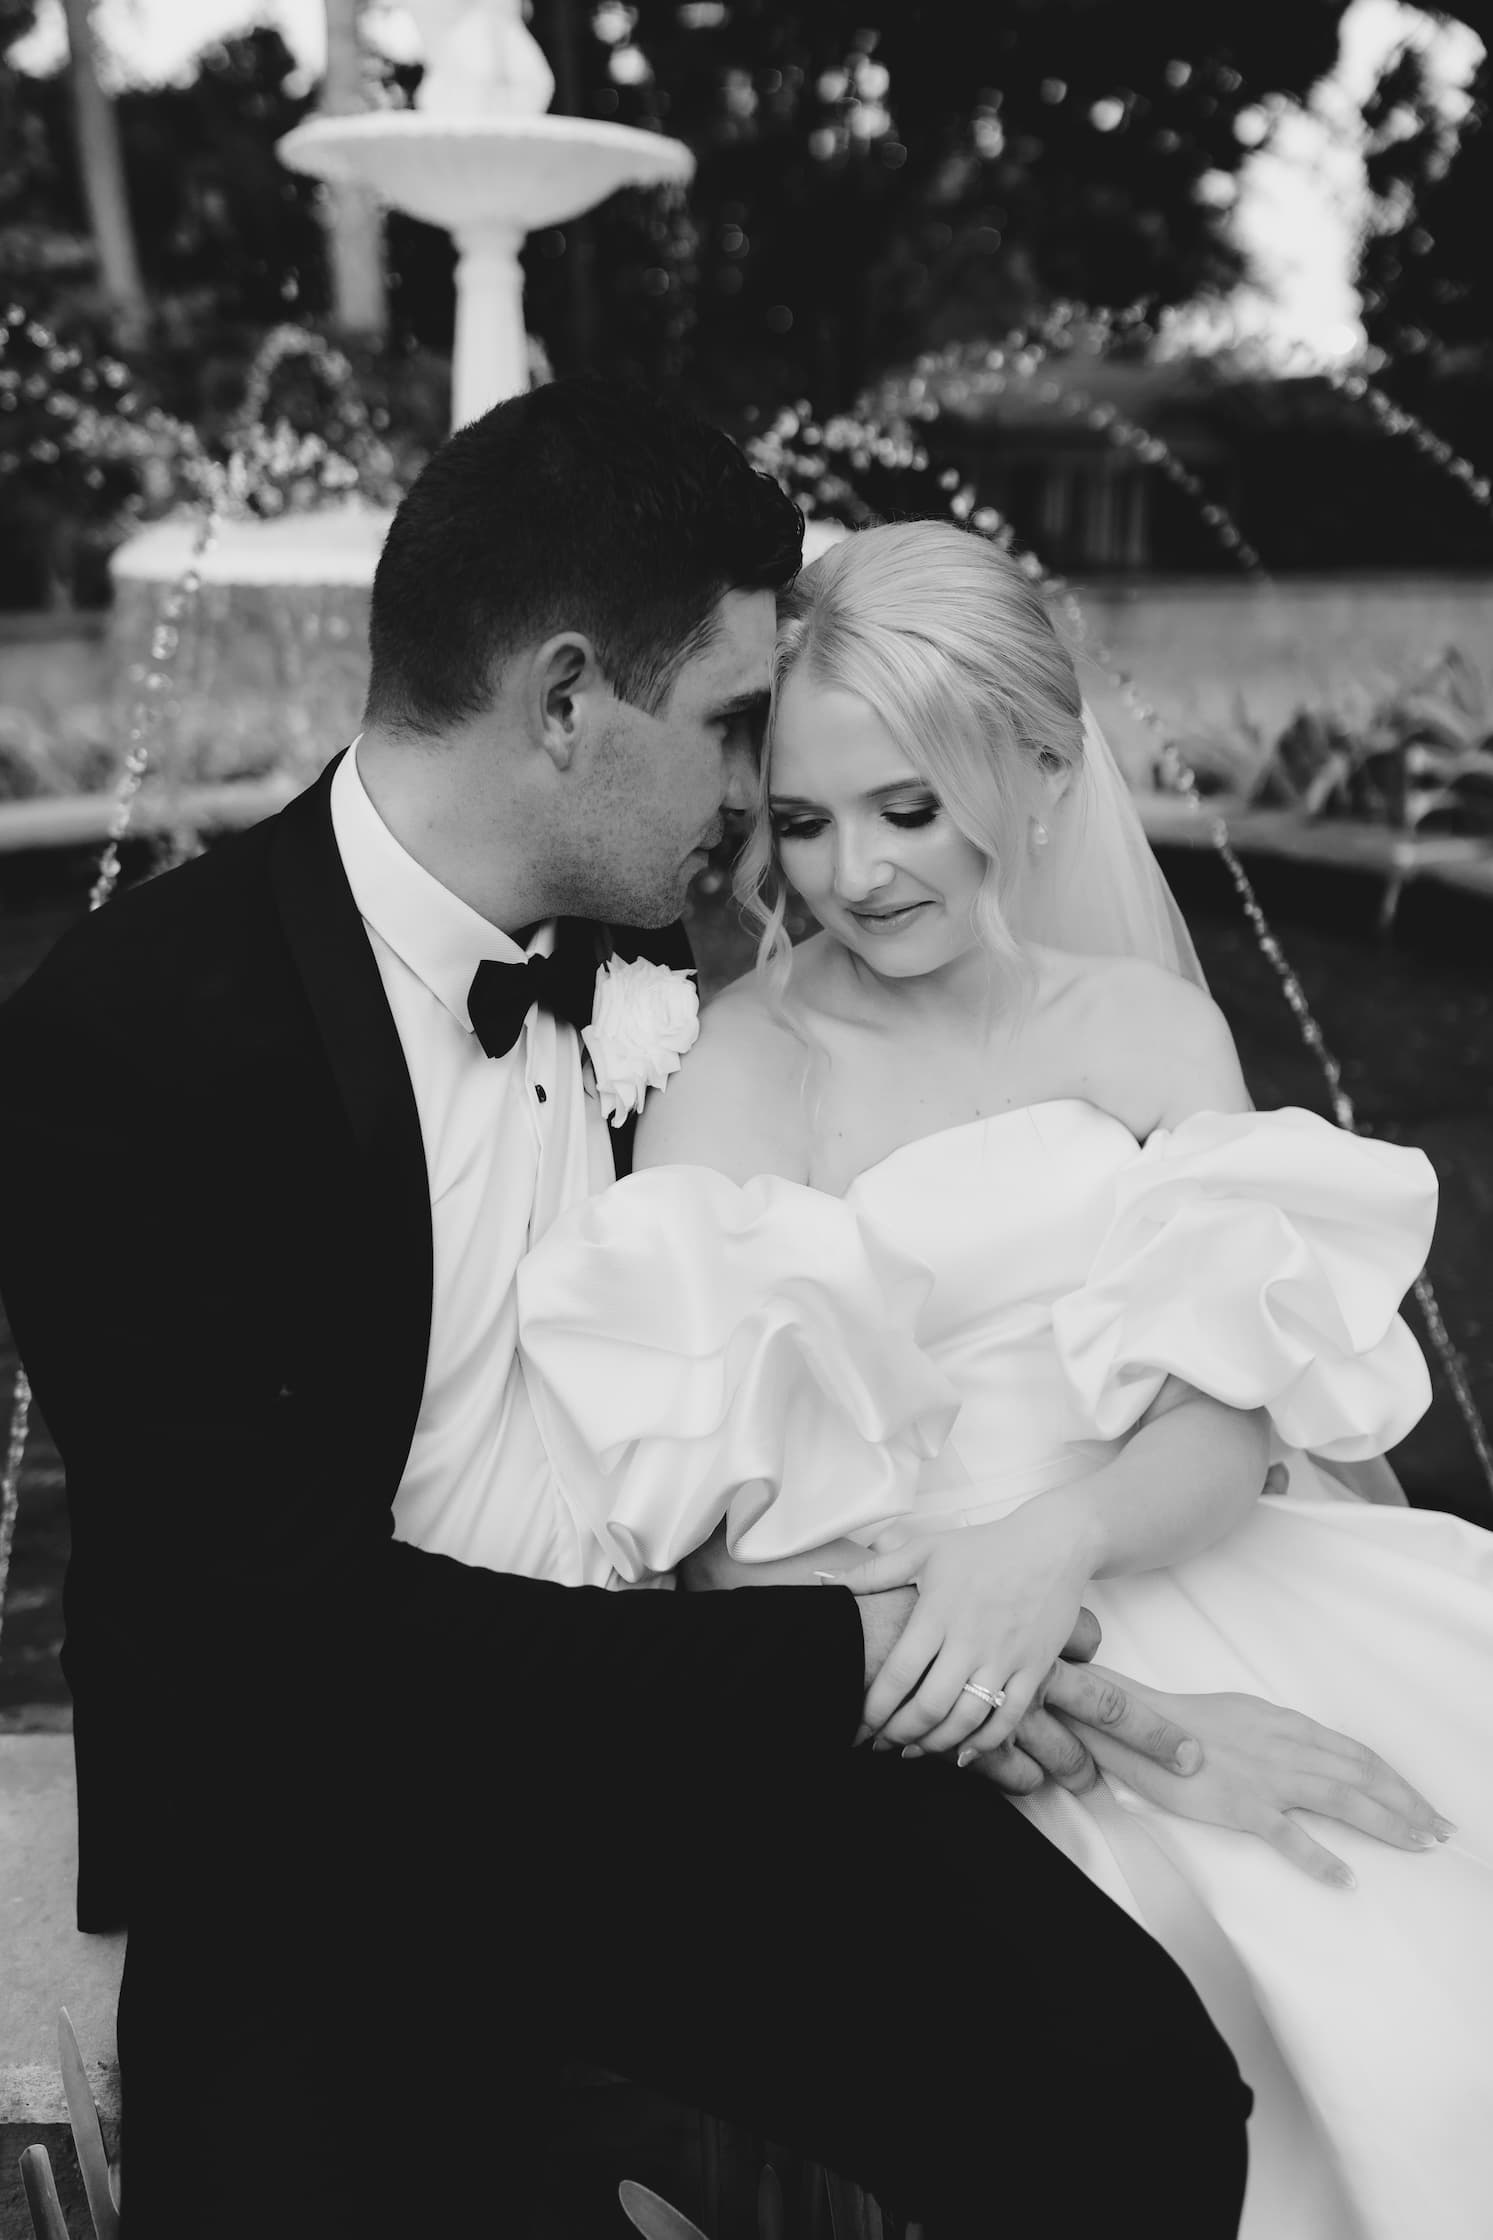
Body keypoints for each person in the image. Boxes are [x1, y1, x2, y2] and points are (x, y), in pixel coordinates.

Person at [0, 384, 1262, 2240]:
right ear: (569, 703)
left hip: (671, 1756)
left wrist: (985, 1609)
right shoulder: (132, 1035)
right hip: (330, 1829)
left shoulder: (653, 951)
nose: (768, 809)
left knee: (1128, 2087)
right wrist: (865, 1653)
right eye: (736, 728)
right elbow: (274, 1645)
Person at [514, 519, 1493, 2240]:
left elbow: (1224, 1411)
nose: (854, 876)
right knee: (1256, 1985)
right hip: (936, 1674)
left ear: (1039, 774)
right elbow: (732, 1557)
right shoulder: (747, 1072)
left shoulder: (1141, 1030)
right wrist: (1143, 1729)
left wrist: (1053, 1547)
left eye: (908, 810)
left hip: (1169, 1560)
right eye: (804, 825)